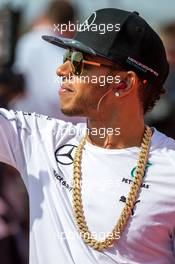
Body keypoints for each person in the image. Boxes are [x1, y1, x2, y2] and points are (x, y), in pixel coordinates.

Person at [0, 8, 174, 264]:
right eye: (66, 55)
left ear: (123, 83)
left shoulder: (169, 169)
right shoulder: (40, 139)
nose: (62, 69)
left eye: (79, 61)